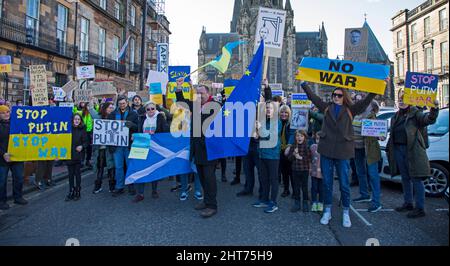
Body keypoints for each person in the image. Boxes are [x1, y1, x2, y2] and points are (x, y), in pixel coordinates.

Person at [301, 81, 376, 228]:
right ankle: (327, 210)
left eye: (339, 95)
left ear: (344, 96)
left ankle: (346, 212)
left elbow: (366, 101)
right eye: (334, 95)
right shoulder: (327, 108)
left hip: (343, 151)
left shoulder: (351, 109)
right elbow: (313, 97)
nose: (336, 97)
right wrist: (303, 83)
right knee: (327, 183)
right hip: (327, 149)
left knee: (344, 184)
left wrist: (377, 87)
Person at [387, 89, 439, 218]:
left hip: (412, 150)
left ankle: (420, 208)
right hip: (398, 150)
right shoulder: (396, 116)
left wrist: (434, 109)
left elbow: (428, 120)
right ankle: (408, 203)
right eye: (400, 99)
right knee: (405, 178)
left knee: (416, 178)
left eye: (404, 98)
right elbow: (393, 134)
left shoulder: (416, 113)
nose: (402, 101)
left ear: (410, 100)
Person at [175, 77, 219, 218]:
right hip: (197, 149)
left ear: (208, 93)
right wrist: (179, 87)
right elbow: (182, 103)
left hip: (210, 149)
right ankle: (206, 201)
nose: (199, 96)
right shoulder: (195, 105)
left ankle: (212, 205)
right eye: (197, 94)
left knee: (209, 178)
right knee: (202, 176)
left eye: (202, 93)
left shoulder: (216, 106)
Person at [133, 101, 169, 203]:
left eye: (153, 108)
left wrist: (163, 115)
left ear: (156, 109)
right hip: (142, 146)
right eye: (148, 109)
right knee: (140, 169)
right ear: (145, 110)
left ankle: (154, 191)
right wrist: (135, 136)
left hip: (155, 147)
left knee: (154, 169)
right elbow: (139, 130)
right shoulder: (142, 118)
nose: (150, 111)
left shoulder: (160, 117)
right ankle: (140, 193)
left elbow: (166, 130)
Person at [253, 101, 282, 213]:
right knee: (263, 179)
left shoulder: (277, 122)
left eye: (270, 108)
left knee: (273, 179)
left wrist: (260, 129)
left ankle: (273, 202)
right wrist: (255, 134)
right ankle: (264, 199)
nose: (268, 110)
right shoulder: (263, 121)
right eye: (266, 108)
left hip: (273, 155)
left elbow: (270, 136)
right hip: (262, 153)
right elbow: (260, 136)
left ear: (274, 110)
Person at [109, 95, 139, 197]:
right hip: (117, 145)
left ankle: (131, 185)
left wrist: (132, 125)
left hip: (128, 145)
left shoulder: (133, 114)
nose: (122, 105)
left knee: (130, 165)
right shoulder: (113, 114)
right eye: (120, 104)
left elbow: (138, 127)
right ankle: (119, 186)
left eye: (124, 103)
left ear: (127, 103)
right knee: (118, 167)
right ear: (118, 104)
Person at [0, 105, 28, 210]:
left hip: (17, 157)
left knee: (19, 178)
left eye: (8, 112)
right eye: (3, 112)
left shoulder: (16, 122)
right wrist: (3, 154)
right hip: (3, 159)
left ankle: (18, 197)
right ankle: (2, 201)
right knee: (2, 181)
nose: (6, 114)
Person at [91, 101, 116, 194]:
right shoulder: (98, 117)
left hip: (110, 149)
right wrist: (90, 99)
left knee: (111, 168)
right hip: (101, 149)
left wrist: (116, 96)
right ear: (105, 108)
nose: (111, 109)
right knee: (100, 168)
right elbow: (90, 109)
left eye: (112, 108)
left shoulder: (114, 118)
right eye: (109, 107)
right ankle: (97, 186)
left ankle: (112, 187)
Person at [285, 130, 311, 212]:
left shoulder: (307, 146)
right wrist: (293, 154)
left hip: (304, 170)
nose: (299, 137)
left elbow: (309, 158)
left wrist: (300, 157)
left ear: (305, 137)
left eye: (301, 136)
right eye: (297, 136)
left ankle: (305, 202)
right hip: (295, 170)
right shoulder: (293, 146)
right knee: (296, 187)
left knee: (304, 186)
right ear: (295, 137)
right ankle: (297, 203)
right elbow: (289, 158)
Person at [65, 114, 88, 201]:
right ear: (72, 120)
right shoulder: (68, 129)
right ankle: (71, 190)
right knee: (70, 175)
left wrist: (82, 146)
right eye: (75, 119)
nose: (77, 121)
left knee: (77, 174)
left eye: (78, 119)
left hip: (78, 155)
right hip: (69, 154)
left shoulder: (83, 129)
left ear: (80, 120)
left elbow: (86, 142)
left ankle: (78, 190)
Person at [279, 105, 295, 197]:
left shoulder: (291, 124)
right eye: (282, 112)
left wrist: (288, 146)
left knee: (292, 172)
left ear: (289, 114)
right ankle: (286, 189)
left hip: (290, 150)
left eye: (286, 113)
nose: (284, 114)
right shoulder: (278, 123)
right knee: (284, 172)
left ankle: (294, 191)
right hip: (280, 150)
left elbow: (292, 135)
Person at [73, 102, 95, 168]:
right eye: (87, 105)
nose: (88, 107)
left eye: (89, 105)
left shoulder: (91, 112)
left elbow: (97, 109)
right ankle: (81, 161)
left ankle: (88, 161)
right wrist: (74, 104)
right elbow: (74, 112)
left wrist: (95, 103)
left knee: (89, 148)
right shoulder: (80, 112)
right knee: (82, 147)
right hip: (82, 131)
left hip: (89, 132)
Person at [310, 132, 323, 212]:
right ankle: (314, 202)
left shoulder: (327, 148)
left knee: (321, 188)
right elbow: (310, 159)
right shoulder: (313, 147)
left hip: (323, 173)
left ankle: (320, 203)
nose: (318, 141)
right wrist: (310, 168)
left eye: (320, 139)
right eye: (317, 139)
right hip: (314, 171)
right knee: (314, 187)